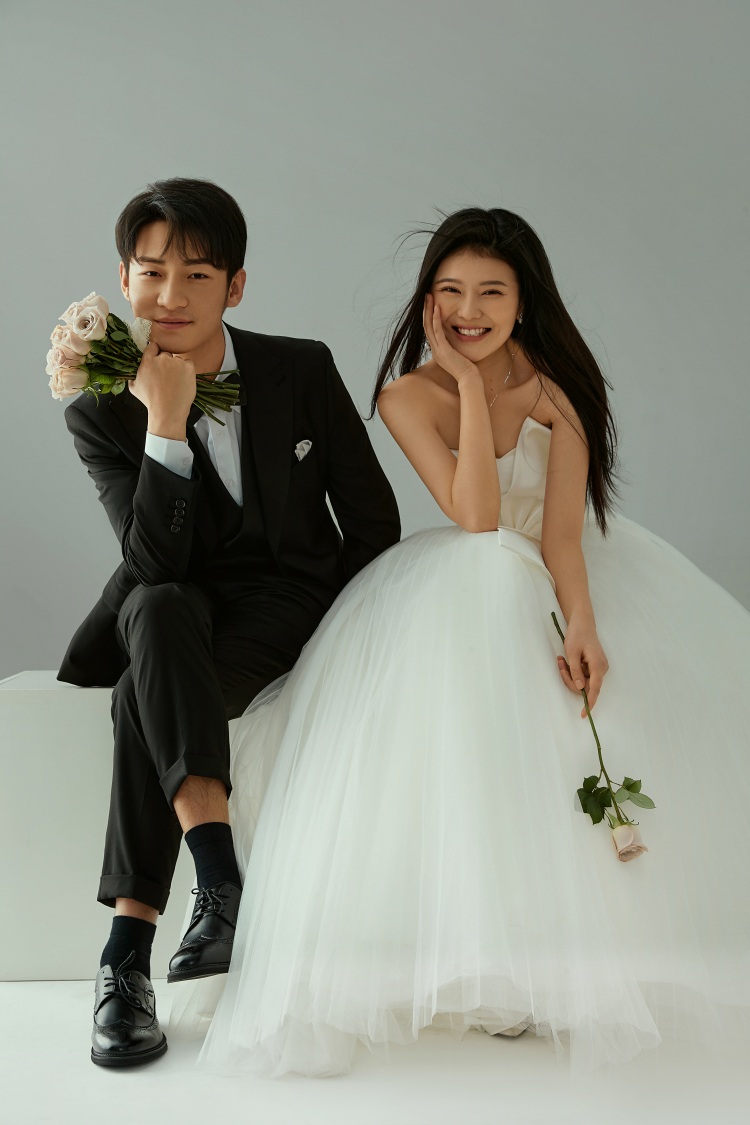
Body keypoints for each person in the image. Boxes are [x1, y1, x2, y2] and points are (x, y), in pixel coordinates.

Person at [172, 207, 750, 1077]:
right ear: (428, 302)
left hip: (554, 578)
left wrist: (582, 625)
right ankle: (468, 955)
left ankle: (555, 955)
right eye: (450, 292)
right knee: (475, 673)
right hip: (466, 582)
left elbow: (561, 538)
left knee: (595, 731)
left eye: (491, 293)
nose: (469, 311)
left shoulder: (560, 389)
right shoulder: (406, 396)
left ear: (525, 301)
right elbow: (478, 516)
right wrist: (472, 389)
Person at [56, 177, 401, 1067]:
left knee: (143, 687)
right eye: (150, 272)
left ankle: (125, 959)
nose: (169, 297)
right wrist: (166, 422)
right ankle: (219, 885)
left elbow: (373, 522)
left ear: (235, 286)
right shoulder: (101, 404)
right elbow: (154, 564)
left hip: (288, 601)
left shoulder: (301, 368)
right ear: (123, 278)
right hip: (180, 605)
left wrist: (349, 643)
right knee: (156, 608)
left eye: (197, 275)